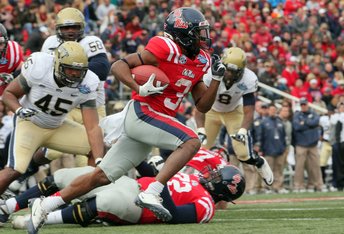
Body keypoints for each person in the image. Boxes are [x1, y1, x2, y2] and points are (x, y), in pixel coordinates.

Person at [28, 7, 224, 233]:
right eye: (198, 33)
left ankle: (44, 206)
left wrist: (217, 79)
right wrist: (138, 86)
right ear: (183, 33)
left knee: (100, 177)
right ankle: (152, 192)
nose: (203, 38)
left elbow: (202, 105)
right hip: (142, 112)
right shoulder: (164, 47)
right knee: (191, 141)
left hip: (153, 122)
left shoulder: (201, 60)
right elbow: (118, 65)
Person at [0, 42, 105, 200]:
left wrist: (99, 161)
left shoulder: (89, 82)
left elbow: (93, 127)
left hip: (57, 126)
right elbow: (8, 94)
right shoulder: (39, 67)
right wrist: (19, 110)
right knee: (14, 169)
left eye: (79, 71)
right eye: (70, 69)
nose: (75, 75)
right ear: (57, 64)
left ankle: (85, 197)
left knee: (96, 149)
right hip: (30, 123)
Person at [4, 164, 244, 229]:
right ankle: (9, 206)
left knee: (105, 202)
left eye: (215, 177)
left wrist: (159, 183)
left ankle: (42, 218)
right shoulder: (194, 180)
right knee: (66, 175)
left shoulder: (206, 206)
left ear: (223, 188)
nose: (209, 174)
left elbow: (175, 217)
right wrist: (142, 163)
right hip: (131, 183)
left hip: (139, 207)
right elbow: (155, 177)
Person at [194, 47, 274, 188]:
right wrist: (200, 128)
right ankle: (198, 182)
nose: (229, 74)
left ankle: (259, 162)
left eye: (233, 71)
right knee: (200, 149)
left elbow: (249, 109)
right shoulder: (209, 74)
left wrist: (243, 130)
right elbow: (200, 104)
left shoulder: (249, 78)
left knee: (244, 154)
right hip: (211, 110)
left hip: (234, 112)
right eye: (227, 69)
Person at [40, 7, 110, 168]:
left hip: (93, 105)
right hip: (66, 104)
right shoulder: (50, 43)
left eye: (75, 27)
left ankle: (86, 188)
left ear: (82, 28)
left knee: (94, 151)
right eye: (66, 27)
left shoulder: (91, 41)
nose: (70, 31)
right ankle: (29, 168)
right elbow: (41, 70)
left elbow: (102, 68)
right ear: (58, 28)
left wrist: (66, 69)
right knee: (53, 151)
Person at [292, 97, 324, 192]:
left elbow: (316, 121)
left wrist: (304, 123)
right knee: (299, 166)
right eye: (301, 104)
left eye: (304, 104)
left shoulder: (314, 113)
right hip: (301, 144)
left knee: (315, 165)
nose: (303, 106)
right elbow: (297, 126)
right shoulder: (297, 115)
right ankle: (298, 185)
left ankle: (317, 184)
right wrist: (310, 125)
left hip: (313, 144)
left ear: (307, 104)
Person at [255, 104, 287, 194]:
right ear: (268, 111)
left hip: (279, 150)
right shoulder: (264, 122)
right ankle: (267, 188)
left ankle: (278, 187)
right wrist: (260, 148)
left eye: (274, 110)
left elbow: (284, 136)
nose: (273, 111)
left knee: (279, 170)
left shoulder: (280, 121)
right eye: (271, 110)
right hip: (268, 150)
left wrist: (284, 147)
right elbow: (260, 136)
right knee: (267, 170)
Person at [0, 23, 24, 96]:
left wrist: (13, 76)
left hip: (7, 89)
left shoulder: (13, 50)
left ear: (6, 43)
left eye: (0, 44)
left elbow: (23, 69)